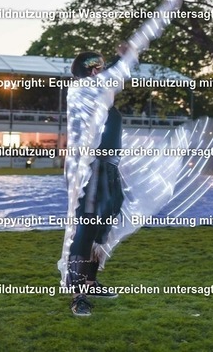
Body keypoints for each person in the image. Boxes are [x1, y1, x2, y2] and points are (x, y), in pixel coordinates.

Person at [61, 46, 137, 316]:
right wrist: (122, 57)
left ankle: (90, 282)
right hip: (92, 169)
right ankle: (77, 294)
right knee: (87, 228)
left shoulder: (102, 96)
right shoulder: (82, 91)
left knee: (101, 228)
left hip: (109, 168)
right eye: (100, 67)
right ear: (93, 72)